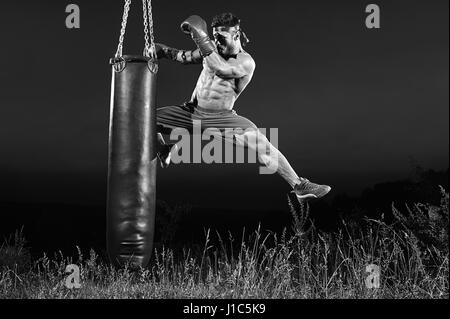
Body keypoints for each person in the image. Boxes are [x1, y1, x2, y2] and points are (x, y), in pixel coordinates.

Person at [154, 12, 331, 201]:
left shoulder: (246, 62)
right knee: (145, 118)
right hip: (190, 112)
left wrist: (201, 37)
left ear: (236, 35)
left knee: (262, 144)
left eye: (221, 38)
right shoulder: (211, 50)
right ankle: (163, 150)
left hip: (221, 119)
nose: (217, 42)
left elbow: (221, 68)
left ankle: (300, 186)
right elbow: (185, 57)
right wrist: (163, 51)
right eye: (214, 37)